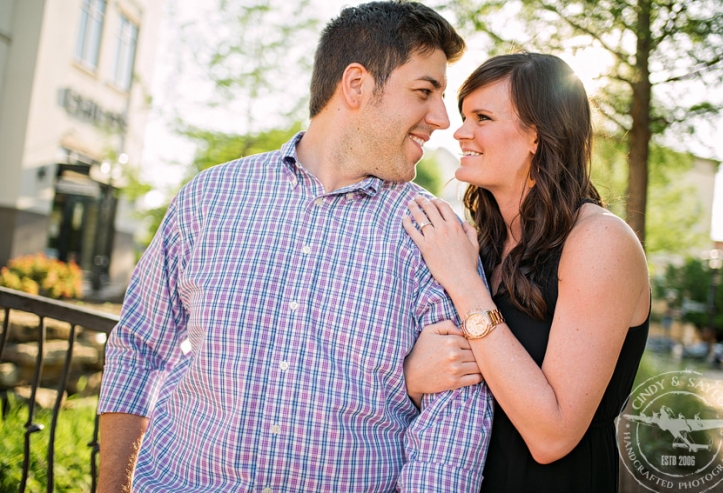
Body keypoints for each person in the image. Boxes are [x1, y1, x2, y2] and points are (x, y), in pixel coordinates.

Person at [97, 2, 493, 492]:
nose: (440, 118)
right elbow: (138, 347)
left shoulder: (433, 230)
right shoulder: (211, 197)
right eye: (424, 92)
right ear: (356, 85)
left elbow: (454, 415)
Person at [402, 53, 650, 492]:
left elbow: (552, 435)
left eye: (482, 117)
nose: (460, 131)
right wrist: (415, 378)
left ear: (537, 135)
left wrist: (463, 283)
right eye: (464, 116)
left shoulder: (599, 243)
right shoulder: (479, 242)